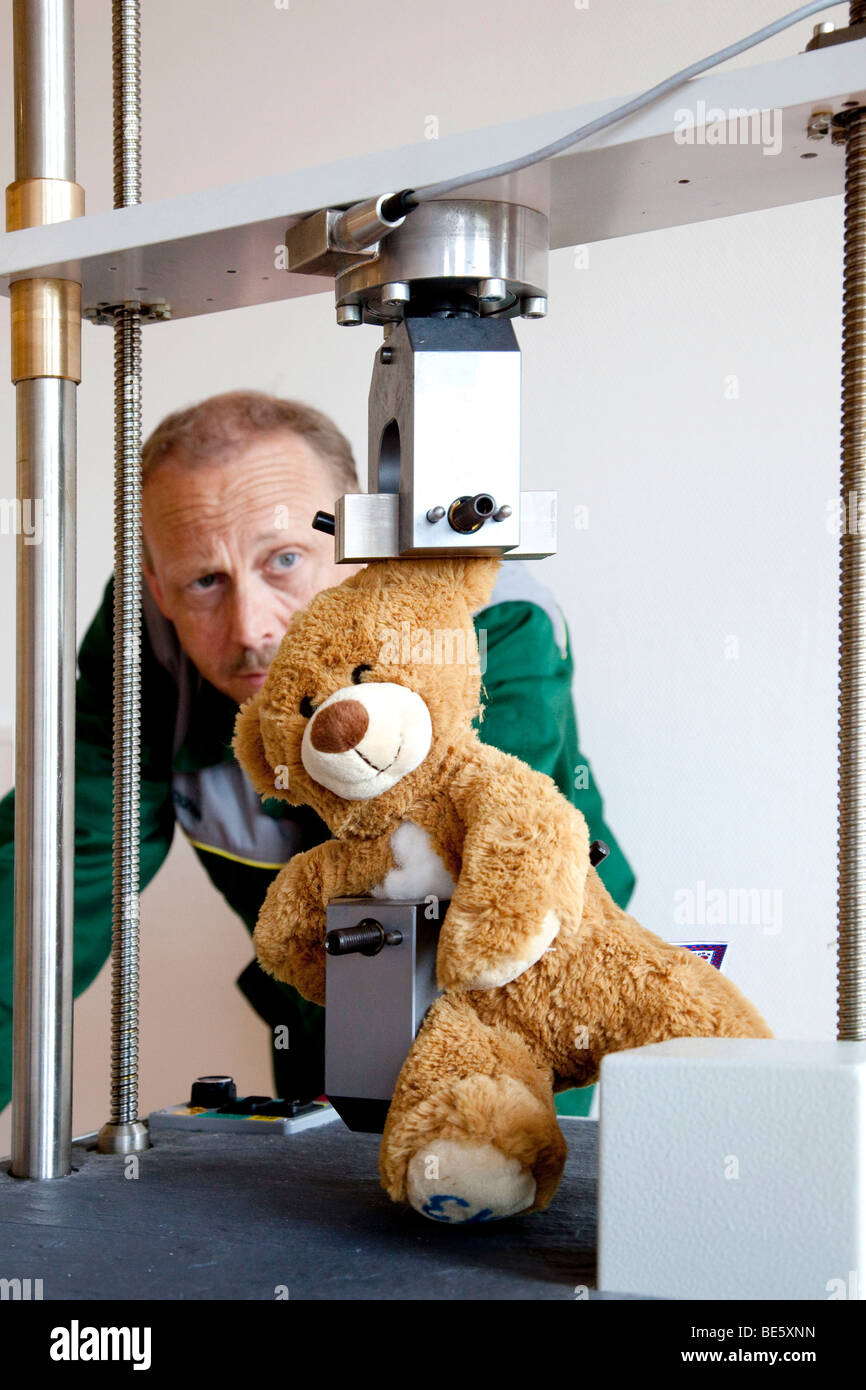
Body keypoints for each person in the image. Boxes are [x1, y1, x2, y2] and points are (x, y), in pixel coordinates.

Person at [0, 390, 635, 1119]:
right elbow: (43, 888)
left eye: (285, 560)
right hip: (319, 1011)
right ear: (157, 589)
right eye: (205, 581)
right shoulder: (146, 653)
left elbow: (488, 899)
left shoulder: (488, 629)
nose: (250, 629)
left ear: (362, 534)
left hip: (528, 997)